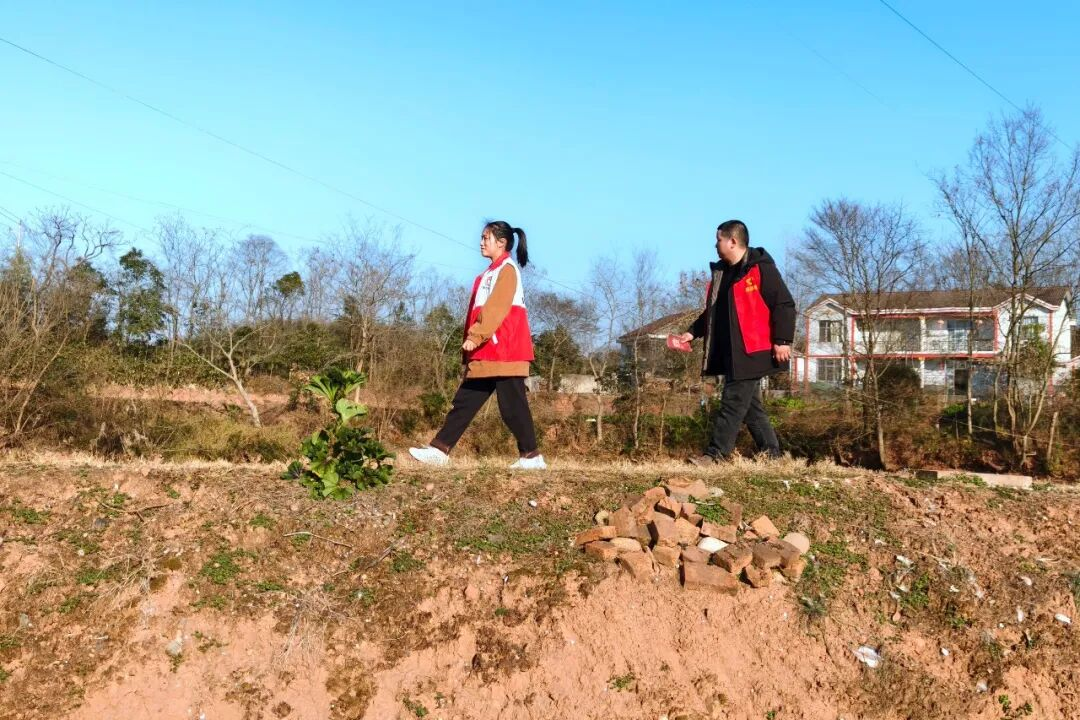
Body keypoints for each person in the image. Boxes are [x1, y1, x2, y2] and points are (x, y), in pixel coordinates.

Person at [409, 221, 546, 469]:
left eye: (486, 238)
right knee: (464, 402)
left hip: (505, 351)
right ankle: (439, 449)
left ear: (501, 242)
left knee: (513, 408)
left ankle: (532, 456)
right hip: (488, 350)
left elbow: (497, 308)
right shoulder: (487, 274)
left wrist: (476, 336)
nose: (481, 242)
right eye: (482, 237)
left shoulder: (507, 269)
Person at [676, 219, 795, 464]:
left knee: (732, 402)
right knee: (751, 407)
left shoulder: (761, 268)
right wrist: (691, 333)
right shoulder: (722, 274)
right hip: (733, 352)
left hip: (754, 350)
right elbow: (713, 312)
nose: (715, 244)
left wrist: (783, 340)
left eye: (718, 239)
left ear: (732, 241)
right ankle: (772, 456)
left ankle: (715, 455)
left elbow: (784, 304)